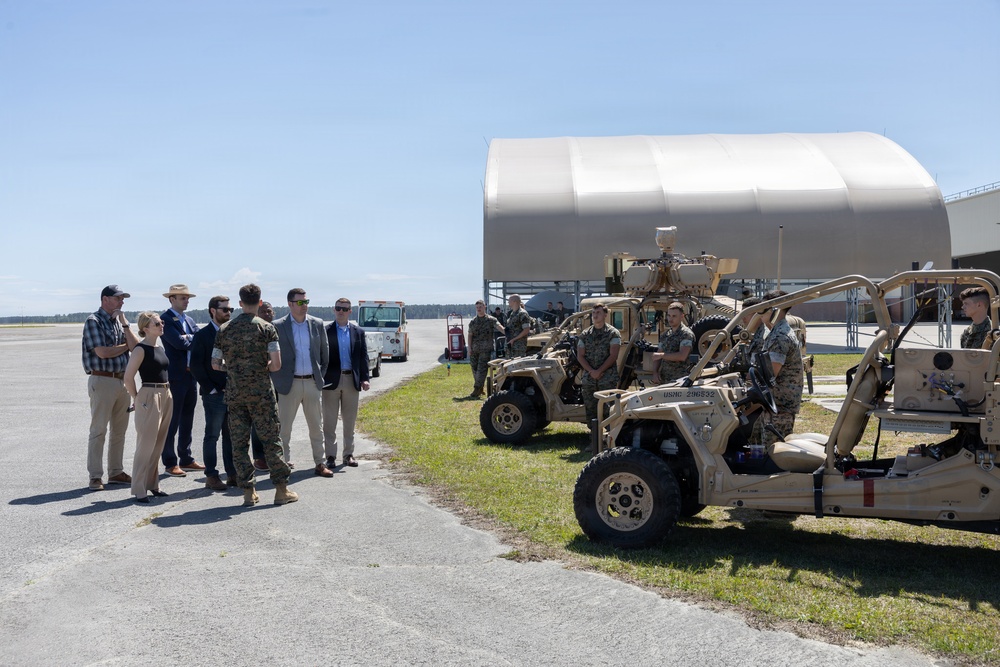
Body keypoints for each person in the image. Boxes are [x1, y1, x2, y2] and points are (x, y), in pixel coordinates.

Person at [212, 283, 298, 507]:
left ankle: (248, 493)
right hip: (261, 394)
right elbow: (277, 364)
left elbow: (215, 363)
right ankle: (281, 490)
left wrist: (233, 369)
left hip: (235, 394)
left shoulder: (224, 330)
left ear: (240, 303)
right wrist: (261, 368)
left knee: (239, 444)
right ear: (260, 303)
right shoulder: (267, 328)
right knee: (271, 441)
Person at [82, 285, 139, 491]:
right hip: (102, 380)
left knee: (120, 431)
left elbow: (137, 346)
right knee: (98, 430)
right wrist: (125, 347)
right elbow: (103, 353)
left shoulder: (119, 324)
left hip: (122, 380)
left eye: (123, 298)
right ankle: (95, 476)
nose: (122, 302)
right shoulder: (93, 321)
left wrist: (125, 324)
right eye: (118, 298)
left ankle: (116, 472)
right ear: (105, 299)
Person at [272, 288, 329, 475]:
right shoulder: (278, 326)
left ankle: (320, 463)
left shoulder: (317, 324)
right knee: (284, 429)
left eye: (306, 302)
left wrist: (319, 377)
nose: (304, 306)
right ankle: (284, 464)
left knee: (316, 427)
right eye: (300, 302)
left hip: (312, 383)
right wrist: (278, 380)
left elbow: (324, 354)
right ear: (290, 304)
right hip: (289, 384)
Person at [123, 312, 173, 503]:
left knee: (158, 443)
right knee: (145, 444)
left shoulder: (159, 347)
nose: (162, 325)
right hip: (148, 395)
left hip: (166, 394)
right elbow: (128, 378)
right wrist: (137, 398)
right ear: (146, 328)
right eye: (157, 323)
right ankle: (139, 488)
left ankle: (153, 484)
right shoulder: (140, 349)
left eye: (161, 322)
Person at [190, 295, 237, 490]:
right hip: (214, 395)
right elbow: (195, 366)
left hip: (233, 393)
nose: (228, 312)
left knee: (231, 435)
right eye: (225, 309)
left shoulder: (233, 332)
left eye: (230, 309)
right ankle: (211, 475)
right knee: (212, 435)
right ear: (213, 311)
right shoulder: (202, 335)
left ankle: (232, 473)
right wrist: (211, 388)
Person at [160, 284, 204, 477]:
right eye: (182, 298)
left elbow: (200, 340)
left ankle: (185, 458)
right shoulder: (165, 319)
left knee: (188, 419)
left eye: (187, 298)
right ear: (172, 299)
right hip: (176, 376)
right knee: (172, 420)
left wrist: (189, 337)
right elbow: (178, 343)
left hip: (190, 375)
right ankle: (170, 462)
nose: (186, 301)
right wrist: (189, 338)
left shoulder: (189, 319)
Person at [322, 297, 371, 469]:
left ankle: (348, 454)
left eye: (344, 309)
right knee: (329, 421)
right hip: (330, 382)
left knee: (349, 420)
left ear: (350, 311)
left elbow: (363, 357)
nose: (341, 311)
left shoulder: (358, 332)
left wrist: (365, 378)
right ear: (334, 310)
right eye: (338, 308)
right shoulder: (325, 331)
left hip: (351, 380)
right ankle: (330, 457)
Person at [752, 290, 804, 447]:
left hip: (781, 406)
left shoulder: (780, 336)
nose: (759, 314)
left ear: (774, 310)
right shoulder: (776, 332)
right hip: (775, 405)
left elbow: (769, 374)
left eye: (763, 309)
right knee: (756, 441)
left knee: (773, 452)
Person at [576, 303, 622, 429]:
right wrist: (591, 371)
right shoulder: (585, 334)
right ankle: (594, 439)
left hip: (607, 378)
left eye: (598, 313)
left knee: (608, 409)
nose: (595, 316)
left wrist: (599, 371)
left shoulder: (613, 333)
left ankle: (608, 439)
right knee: (591, 409)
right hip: (589, 378)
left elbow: (613, 355)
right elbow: (580, 356)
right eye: (593, 313)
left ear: (605, 315)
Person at [251, 301, 274, 470]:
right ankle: (259, 457)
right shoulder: (254, 330)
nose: (267, 314)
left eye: (269, 311)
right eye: (263, 311)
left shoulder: (274, 329)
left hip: (279, 382)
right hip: (258, 384)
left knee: (275, 422)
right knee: (258, 423)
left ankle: (275, 456)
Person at [466, 300, 504, 398]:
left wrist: (507, 333)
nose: (479, 309)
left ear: (485, 307)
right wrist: (469, 348)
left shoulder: (491, 320)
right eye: (477, 307)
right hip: (474, 349)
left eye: (480, 307)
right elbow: (470, 335)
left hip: (486, 349)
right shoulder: (473, 322)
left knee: (481, 369)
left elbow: (499, 327)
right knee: (474, 369)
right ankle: (480, 387)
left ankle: (476, 389)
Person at [653, 302, 695, 383]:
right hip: (664, 379)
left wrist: (662, 356)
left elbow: (682, 356)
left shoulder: (686, 334)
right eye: (669, 315)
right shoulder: (665, 335)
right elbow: (657, 356)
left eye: (674, 316)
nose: (670, 319)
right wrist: (655, 373)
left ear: (682, 316)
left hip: (680, 380)